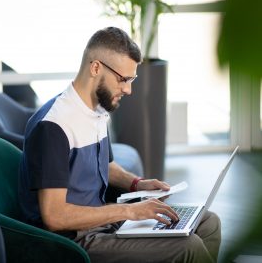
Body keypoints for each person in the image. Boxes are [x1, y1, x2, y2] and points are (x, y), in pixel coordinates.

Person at [19, 27, 221, 263]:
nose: (128, 89)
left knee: (208, 222)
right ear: (95, 68)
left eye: (131, 79)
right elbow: (54, 217)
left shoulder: (97, 110)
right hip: (73, 240)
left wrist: (137, 183)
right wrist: (129, 211)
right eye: (122, 79)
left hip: (102, 222)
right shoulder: (54, 125)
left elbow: (105, 166)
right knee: (190, 247)